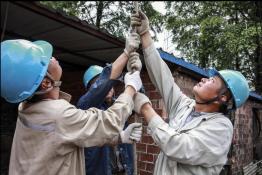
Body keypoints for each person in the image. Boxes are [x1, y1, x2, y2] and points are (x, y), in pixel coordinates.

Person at [129, 11, 250, 175]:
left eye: (211, 81)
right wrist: (145, 35)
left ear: (222, 98)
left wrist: (145, 108)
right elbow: (163, 77)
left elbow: (177, 146)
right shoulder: (186, 107)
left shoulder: (221, 129)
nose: (203, 79)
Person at [0, 38, 142, 175]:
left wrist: (119, 138)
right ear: (45, 83)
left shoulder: (25, 106)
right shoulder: (60, 116)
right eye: (48, 60)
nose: (53, 57)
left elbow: (69, 134)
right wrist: (130, 87)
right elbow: (109, 121)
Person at [77, 51, 142, 175]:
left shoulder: (120, 105)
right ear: (90, 90)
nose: (107, 88)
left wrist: (135, 73)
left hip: (124, 171)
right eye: (100, 85)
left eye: (109, 85)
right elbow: (101, 88)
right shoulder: (84, 107)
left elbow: (138, 98)